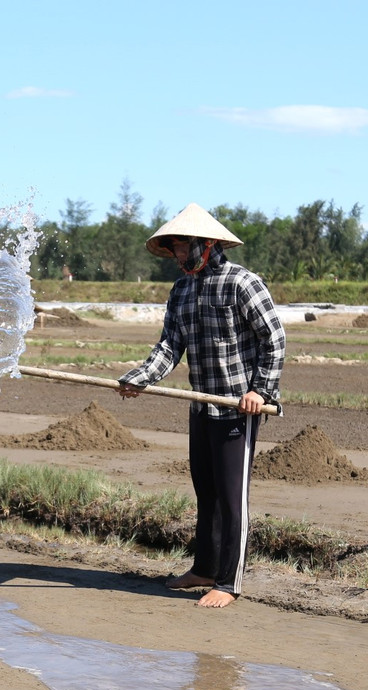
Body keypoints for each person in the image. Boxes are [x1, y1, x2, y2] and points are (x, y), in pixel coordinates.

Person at [118, 203, 286, 608]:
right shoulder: (182, 290)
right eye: (173, 249)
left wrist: (260, 391)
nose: (176, 256)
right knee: (206, 493)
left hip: (237, 409)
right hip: (201, 407)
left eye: (180, 248)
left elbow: (275, 340)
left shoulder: (241, 283)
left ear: (204, 244)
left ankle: (229, 583)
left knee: (232, 499)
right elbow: (169, 347)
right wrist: (140, 378)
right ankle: (205, 568)